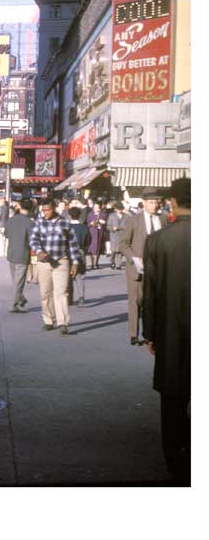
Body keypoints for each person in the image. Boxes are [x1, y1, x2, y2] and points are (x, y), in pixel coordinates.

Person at [142, 178, 190, 484]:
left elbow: (151, 293)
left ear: (171, 201)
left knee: (172, 401)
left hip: (171, 334)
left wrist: (150, 334)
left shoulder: (158, 240)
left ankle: (177, 463)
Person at [119, 187, 167, 346]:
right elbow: (123, 244)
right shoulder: (134, 220)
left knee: (155, 302)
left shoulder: (164, 219)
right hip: (137, 269)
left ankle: (151, 334)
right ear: (144, 203)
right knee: (136, 302)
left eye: (157, 202)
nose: (155, 205)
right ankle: (134, 334)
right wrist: (134, 259)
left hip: (158, 269)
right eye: (151, 202)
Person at [29, 198, 82, 336]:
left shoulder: (65, 223)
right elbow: (33, 239)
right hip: (44, 262)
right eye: (43, 210)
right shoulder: (39, 223)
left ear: (54, 208)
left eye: (47, 210)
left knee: (61, 293)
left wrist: (75, 262)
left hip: (61, 261)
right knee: (45, 293)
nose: (45, 212)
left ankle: (63, 323)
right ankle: (48, 320)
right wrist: (39, 252)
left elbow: (73, 245)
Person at [5, 198, 35, 313]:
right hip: (23, 254)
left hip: (11, 253)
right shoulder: (30, 223)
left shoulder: (11, 220)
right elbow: (33, 240)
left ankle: (21, 300)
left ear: (20, 206)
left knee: (16, 281)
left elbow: (6, 234)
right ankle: (14, 304)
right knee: (19, 282)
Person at [67, 206, 91, 307]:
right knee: (80, 276)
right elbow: (88, 240)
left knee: (68, 276)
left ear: (69, 216)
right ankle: (81, 297)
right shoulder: (84, 227)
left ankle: (69, 298)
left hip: (67, 252)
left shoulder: (66, 227)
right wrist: (84, 250)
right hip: (80, 251)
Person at [106, 202, 128, 269]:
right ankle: (112, 261)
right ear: (115, 209)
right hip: (114, 235)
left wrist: (122, 228)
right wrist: (112, 229)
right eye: (119, 209)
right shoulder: (111, 215)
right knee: (114, 250)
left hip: (122, 234)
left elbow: (128, 226)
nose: (120, 210)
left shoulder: (126, 216)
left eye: (121, 209)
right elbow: (108, 226)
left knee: (120, 251)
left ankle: (118, 264)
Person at [85, 202, 107, 269]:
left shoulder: (103, 215)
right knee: (92, 248)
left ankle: (96, 263)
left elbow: (106, 224)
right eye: (95, 207)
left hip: (100, 233)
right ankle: (92, 264)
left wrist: (103, 222)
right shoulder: (90, 215)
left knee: (99, 248)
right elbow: (87, 224)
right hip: (92, 233)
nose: (96, 209)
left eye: (97, 207)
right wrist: (91, 223)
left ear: (100, 208)